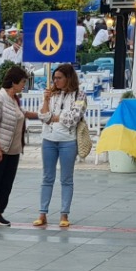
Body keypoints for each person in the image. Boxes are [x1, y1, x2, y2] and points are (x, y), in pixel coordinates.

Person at [0, 65, 34, 228]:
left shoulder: (14, 99)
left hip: (13, 150)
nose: (24, 85)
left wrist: (44, 115)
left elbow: (22, 114)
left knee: (6, 184)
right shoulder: (0, 99)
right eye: (23, 81)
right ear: (14, 82)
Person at [34, 64, 86, 228]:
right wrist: (46, 100)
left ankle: (64, 214)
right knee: (47, 177)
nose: (55, 81)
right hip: (48, 138)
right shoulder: (52, 94)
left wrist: (54, 117)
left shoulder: (79, 94)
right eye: (54, 78)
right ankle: (42, 213)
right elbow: (43, 116)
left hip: (68, 140)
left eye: (59, 78)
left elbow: (73, 118)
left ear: (68, 78)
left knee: (66, 178)